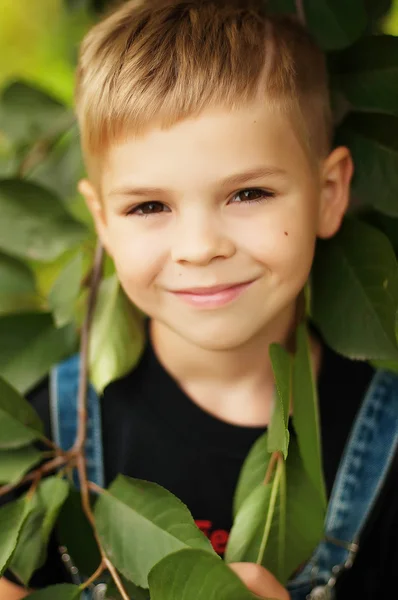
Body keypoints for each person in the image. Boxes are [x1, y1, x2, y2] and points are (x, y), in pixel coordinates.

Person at [1, 0, 398, 598]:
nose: (199, 247)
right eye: (149, 206)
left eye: (248, 193)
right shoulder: (42, 440)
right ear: (102, 221)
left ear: (328, 193)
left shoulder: (388, 446)